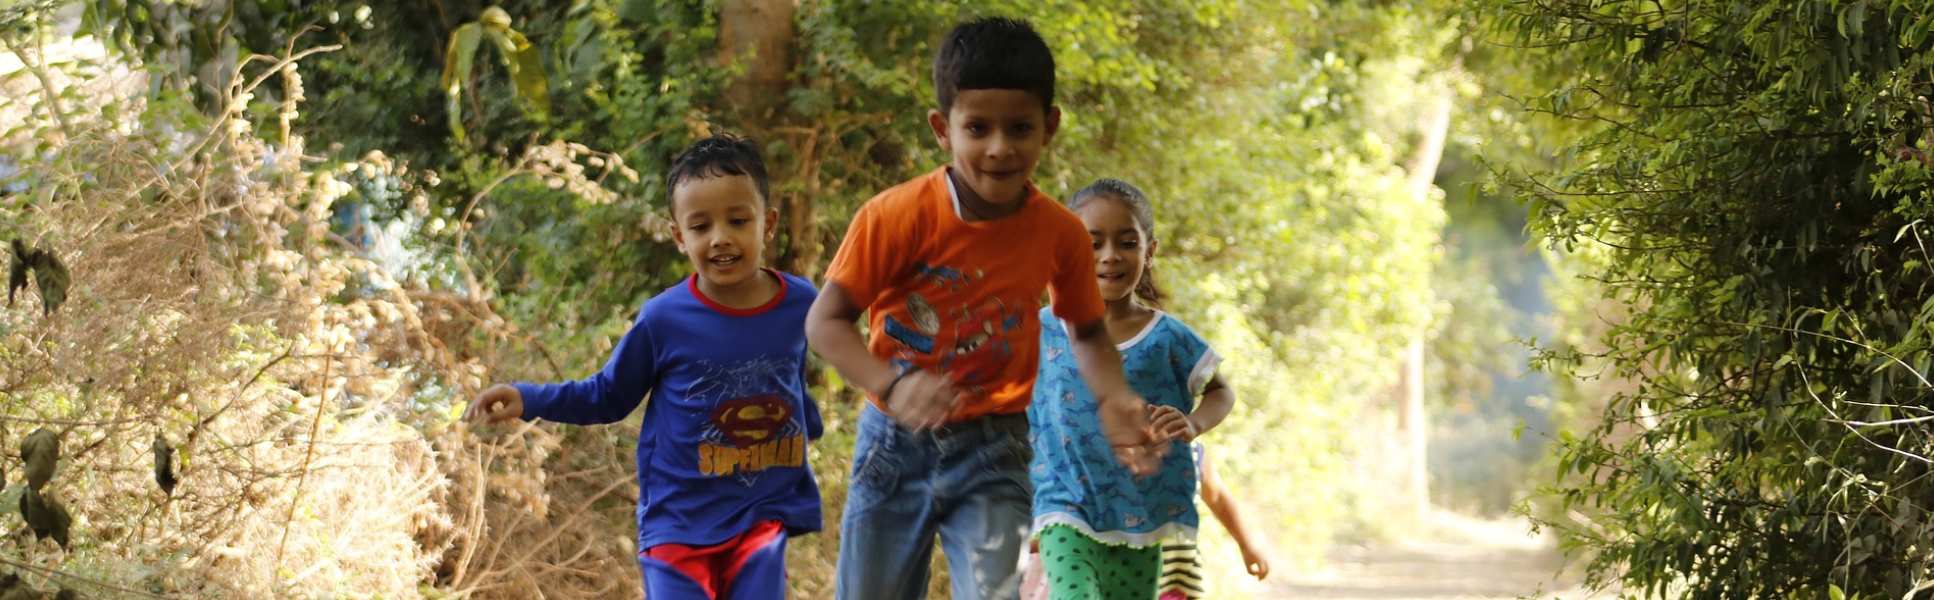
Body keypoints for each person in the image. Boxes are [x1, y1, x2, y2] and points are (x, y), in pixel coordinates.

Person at [805, 17, 1164, 600]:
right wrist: (891, 385)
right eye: (978, 128)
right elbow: (825, 321)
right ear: (942, 129)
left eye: (1019, 128)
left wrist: (1116, 399)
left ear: (1049, 128)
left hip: (997, 450)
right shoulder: (895, 216)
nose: (1000, 148)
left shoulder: (1060, 234)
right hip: (894, 446)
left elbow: (1089, 332)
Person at [465, 135, 822, 599]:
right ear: (679, 236)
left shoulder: (801, 304)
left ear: (767, 223)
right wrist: (528, 397)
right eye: (700, 226)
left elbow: (790, 381)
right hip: (678, 527)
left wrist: (809, 422)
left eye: (738, 220)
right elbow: (607, 396)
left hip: (759, 516)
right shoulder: (664, 320)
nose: (720, 237)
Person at [1025, 178, 1236, 599]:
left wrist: (1193, 424)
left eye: (1126, 243)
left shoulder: (1168, 338)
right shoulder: (1041, 330)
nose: (1109, 257)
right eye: (1093, 243)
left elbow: (1221, 391)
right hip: (1064, 508)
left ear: (1149, 250)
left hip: (1145, 513)